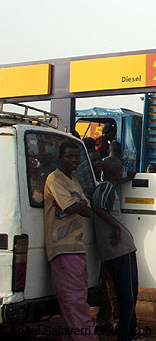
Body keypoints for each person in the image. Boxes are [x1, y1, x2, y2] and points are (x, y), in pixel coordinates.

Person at [43, 140, 97, 341]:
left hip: (77, 248)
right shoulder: (54, 179)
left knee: (73, 303)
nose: (74, 160)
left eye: (77, 156)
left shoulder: (74, 182)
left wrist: (79, 205)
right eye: (70, 156)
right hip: (63, 249)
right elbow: (72, 207)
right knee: (74, 304)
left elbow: (87, 210)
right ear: (60, 158)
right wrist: (79, 204)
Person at [91, 157, 139, 341]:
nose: (122, 173)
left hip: (115, 250)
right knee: (128, 293)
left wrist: (128, 178)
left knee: (121, 293)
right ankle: (127, 333)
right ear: (115, 172)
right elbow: (99, 207)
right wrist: (117, 227)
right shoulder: (106, 188)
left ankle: (126, 331)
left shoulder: (106, 186)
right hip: (121, 249)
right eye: (121, 170)